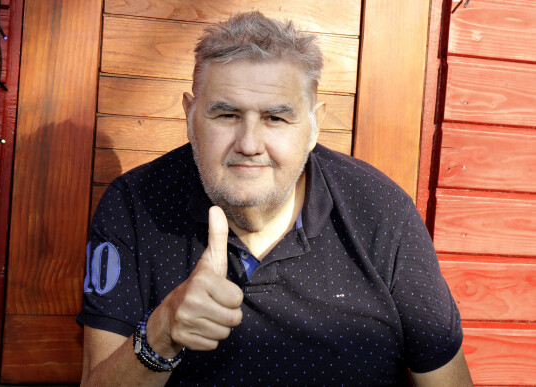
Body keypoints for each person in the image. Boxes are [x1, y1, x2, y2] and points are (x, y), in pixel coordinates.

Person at [78, 11, 473, 386]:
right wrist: (162, 333)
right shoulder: (134, 205)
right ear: (190, 115)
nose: (249, 144)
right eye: (227, 115)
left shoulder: (382, 211)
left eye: (276, 118)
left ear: (314, 126)